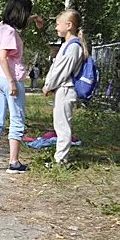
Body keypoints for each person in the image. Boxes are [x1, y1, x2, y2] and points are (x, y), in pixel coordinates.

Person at [0, 0, 44, 173]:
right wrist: (12, 82)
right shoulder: (10, 33)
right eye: (28, 13)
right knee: (17, 120)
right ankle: (14, 162)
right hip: (11, 79)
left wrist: (34, 19)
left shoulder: (1, 27)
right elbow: (2, 57)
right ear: (21, 14)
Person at [43, 10, 88, 166]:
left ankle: (61, 160)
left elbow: (62, 70)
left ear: (69, 26)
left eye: (57, 24)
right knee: (59, 124)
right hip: (61, 89)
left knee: (63, 126)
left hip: (66, 89)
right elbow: (56, 67)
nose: (56, 28)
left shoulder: (74, 47)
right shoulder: (66, 45)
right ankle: (59, 157)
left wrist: (49, 85)